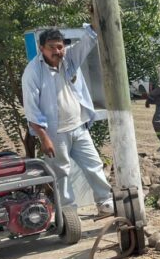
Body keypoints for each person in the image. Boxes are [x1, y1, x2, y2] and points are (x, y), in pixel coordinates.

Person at [21, 25, 113, 215]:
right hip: (55, 134)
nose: (57, 51)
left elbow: (88, 40)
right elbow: (31, 109)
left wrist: (94, 18)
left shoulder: (69, 58)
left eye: (60, 46)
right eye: (52, 47)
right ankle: (68, 212)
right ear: (41, 48)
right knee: (61, 173)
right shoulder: (33, 72)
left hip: (79, 126)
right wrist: (44, 137)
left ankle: (105, 203)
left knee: (94, 164)